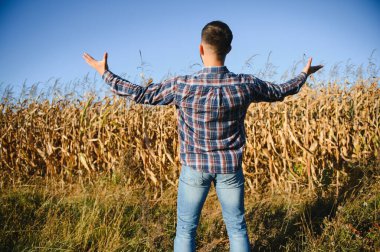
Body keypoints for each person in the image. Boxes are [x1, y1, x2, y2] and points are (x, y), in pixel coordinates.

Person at [83, 20, 323, 252]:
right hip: (230, 168)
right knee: (237, 229)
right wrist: (303, 74)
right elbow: (280, 90)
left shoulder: (183, 85)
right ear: (229, 49)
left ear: (200, 48)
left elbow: (141, 94)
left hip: (195, 168)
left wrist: (105, 73)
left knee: (186, 230)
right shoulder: (245, 84)